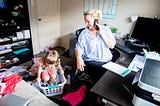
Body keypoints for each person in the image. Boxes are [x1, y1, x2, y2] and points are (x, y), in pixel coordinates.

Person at [75, 9, 116, 84]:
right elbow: (79, 48)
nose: (86, 24)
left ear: (95, 20)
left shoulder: (106, 30)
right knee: (102, 79)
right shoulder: (84, 33)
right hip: (92, 60)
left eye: (88, 21)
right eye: (85, 21)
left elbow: (112, 46)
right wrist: (78, 57)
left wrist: (102, 33)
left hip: (106, 59)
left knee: (110, 79)